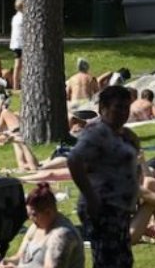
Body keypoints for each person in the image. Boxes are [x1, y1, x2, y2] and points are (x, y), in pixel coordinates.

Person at [67, 85, 138, 268]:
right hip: (104, 208)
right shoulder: (97, 132)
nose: (123, 112)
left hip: (120, 208)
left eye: (126, 107)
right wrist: (91, 197)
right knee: (108, 260)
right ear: (103, 108)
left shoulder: (122, 134)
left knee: (123, 260)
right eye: (118, 107)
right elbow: (74, 160)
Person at [1, 183, 84, 268]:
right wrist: (5, 262)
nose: (30, 218)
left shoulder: (61, 235)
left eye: (34, 214)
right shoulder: (36, 226)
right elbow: (19, 257)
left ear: (48, 212)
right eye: (29, 215)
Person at [9, 0, 24, 89]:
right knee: (18, 65)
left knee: (18, 65)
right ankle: (16, 85)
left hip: (16, 43)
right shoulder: (23, 18)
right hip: (21, 44)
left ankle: (17, 84)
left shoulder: (15, 17)